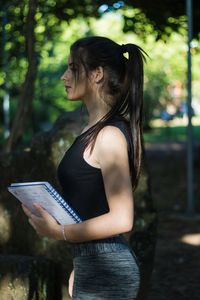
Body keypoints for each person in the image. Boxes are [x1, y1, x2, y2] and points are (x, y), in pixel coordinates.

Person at [22, 36, 146, 300]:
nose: (64, 77)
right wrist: (83, 264)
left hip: (108, 271)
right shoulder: (94, 131)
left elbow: (123, 219)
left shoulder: (109, 135)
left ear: (97, 74)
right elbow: (99, 207)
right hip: (96, 265)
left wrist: (60, 232)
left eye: (72, 68)